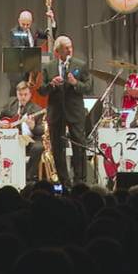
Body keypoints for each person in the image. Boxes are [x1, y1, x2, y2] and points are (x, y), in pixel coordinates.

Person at [38, 35, 92, 186]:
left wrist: (76, 83)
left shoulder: (80, 65)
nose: (70, 51)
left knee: (79, 146)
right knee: (57, 148)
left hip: (74, 112)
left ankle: (80, 181)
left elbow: (88, 87)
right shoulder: (48, 67)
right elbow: (41, 90)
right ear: (57, 52)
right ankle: (64, 181)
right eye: (66, 48)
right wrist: (51, 84)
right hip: (56, 112)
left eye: (71, 47)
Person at [0, 82, 45, 181]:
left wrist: (33, 126)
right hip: (12, 139)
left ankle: (27, 177)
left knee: (39, 147)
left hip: (30, 140)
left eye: (25, 94)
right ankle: (1, 176)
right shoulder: (10, 105)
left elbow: (42, 130)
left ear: (30, 95)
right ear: (16, 94)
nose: (23, 97)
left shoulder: (37, 109)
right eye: (20, 94)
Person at [7, 8, 57, 94]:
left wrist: (52, 21)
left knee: (50, 59)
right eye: (23, 24)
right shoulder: (14, 32)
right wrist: (39, 58)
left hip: (31, 69)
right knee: (18, 96)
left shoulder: (34, 28)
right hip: (20, 72)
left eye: (28, 24)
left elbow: (48, 36)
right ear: (19, 21)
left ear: (31, 22)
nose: (25, 27)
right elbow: (21, 51)